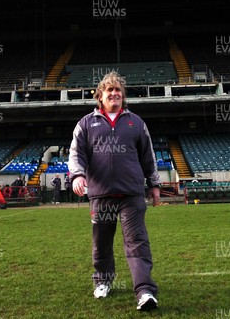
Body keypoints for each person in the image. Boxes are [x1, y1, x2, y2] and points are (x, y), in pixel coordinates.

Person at [68, 71, 161, 311]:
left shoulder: (136, 123)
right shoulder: (86, 124)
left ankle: (145, 292)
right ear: (100, 96)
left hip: (131, 195)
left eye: (118, 90)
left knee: (137, 243)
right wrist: (78, 175)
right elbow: (76, 154)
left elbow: (148, 156)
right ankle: (102, 281)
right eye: (110, 90)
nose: (115, 93)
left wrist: (155, 184)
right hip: (101, 196)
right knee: (102, 243)